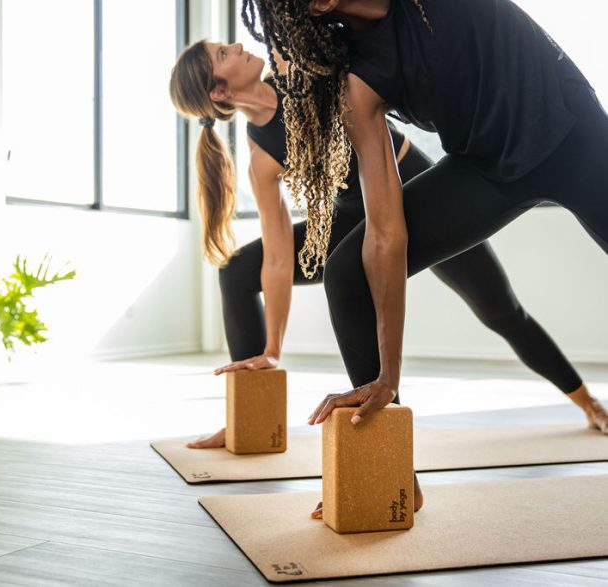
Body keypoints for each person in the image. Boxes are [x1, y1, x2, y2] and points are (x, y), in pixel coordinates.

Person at [238, 0, 608, 433]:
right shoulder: (361, 81)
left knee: (503, 310)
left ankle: (587, 401)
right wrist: (387, 377)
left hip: (576, 139)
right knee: (346, 272)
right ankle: (389, 476)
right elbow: (385, 235)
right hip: (487, 169)